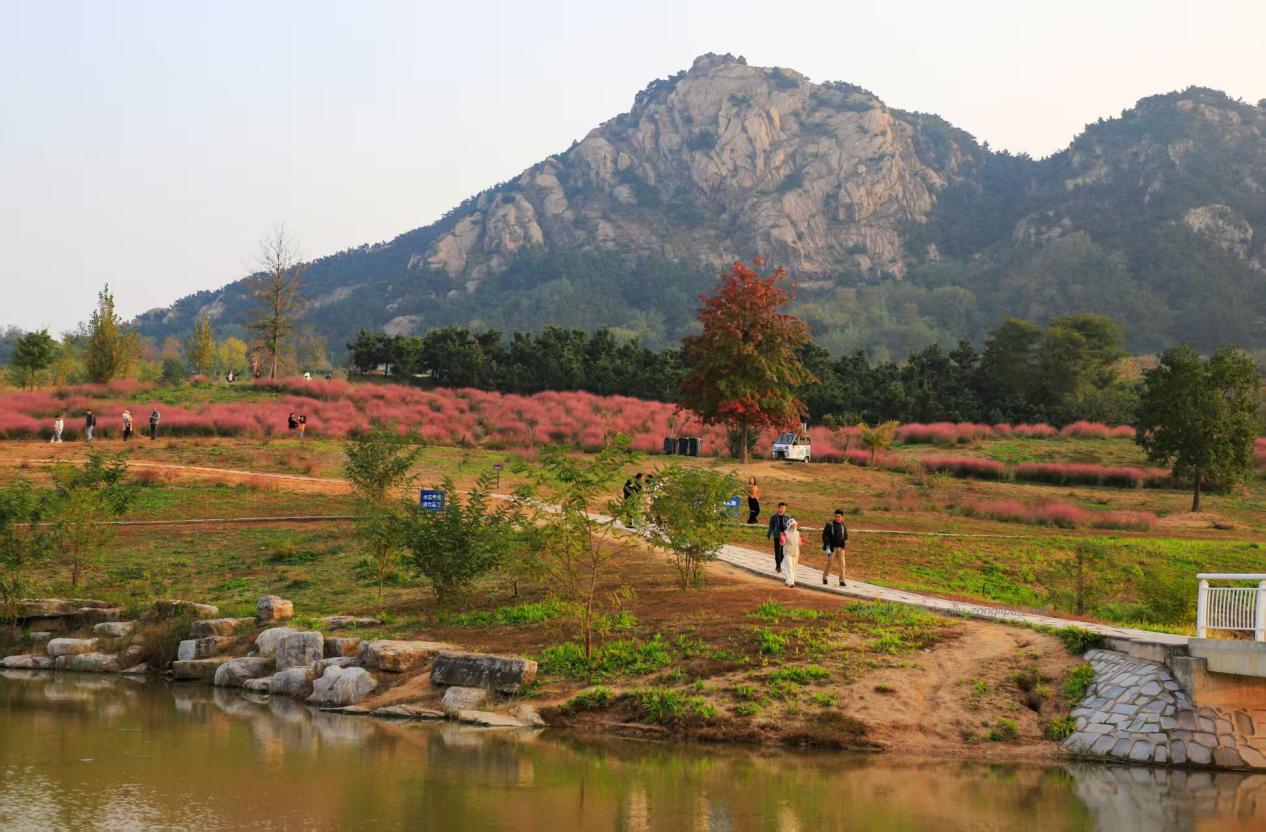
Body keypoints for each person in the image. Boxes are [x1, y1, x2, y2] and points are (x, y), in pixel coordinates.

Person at [822, 508, 849, 587]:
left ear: (842, 517)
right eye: (836, 516)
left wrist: (846, 540)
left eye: (839, 516)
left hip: (841, 548)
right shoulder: (829, 525)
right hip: (832, 548)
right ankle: (825, 577)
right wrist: (827, 544)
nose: (837, 518)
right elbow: (825, 535)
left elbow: (845, 536)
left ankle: (842, 580)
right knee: (829, 563)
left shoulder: (843, 526)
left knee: (842, 565)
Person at [766, 502, 791, 574]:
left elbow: (791, 526)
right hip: (777, 536)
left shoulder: (787, 517)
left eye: (784, 508)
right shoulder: (773, 517)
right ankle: (778, 566)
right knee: (778, 551)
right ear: (778, 508)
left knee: (783, 552)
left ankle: (778, 563)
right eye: (781, 508)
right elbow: (771, 526)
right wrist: (769, 533)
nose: (782, 509)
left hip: (785, 536)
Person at [783, 518, 802, 587]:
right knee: (789, 567)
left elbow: (799, 543)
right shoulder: (785, 533)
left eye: (794, 525)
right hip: (787, 552)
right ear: (789, 525)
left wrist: (803, 541)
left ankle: (787, 581)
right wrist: (782, 539)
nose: (793, 526)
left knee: (794, 568)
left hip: (796, 553)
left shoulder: (797, 533)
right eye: (792, 525)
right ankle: (791, 582)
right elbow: (782, 543)